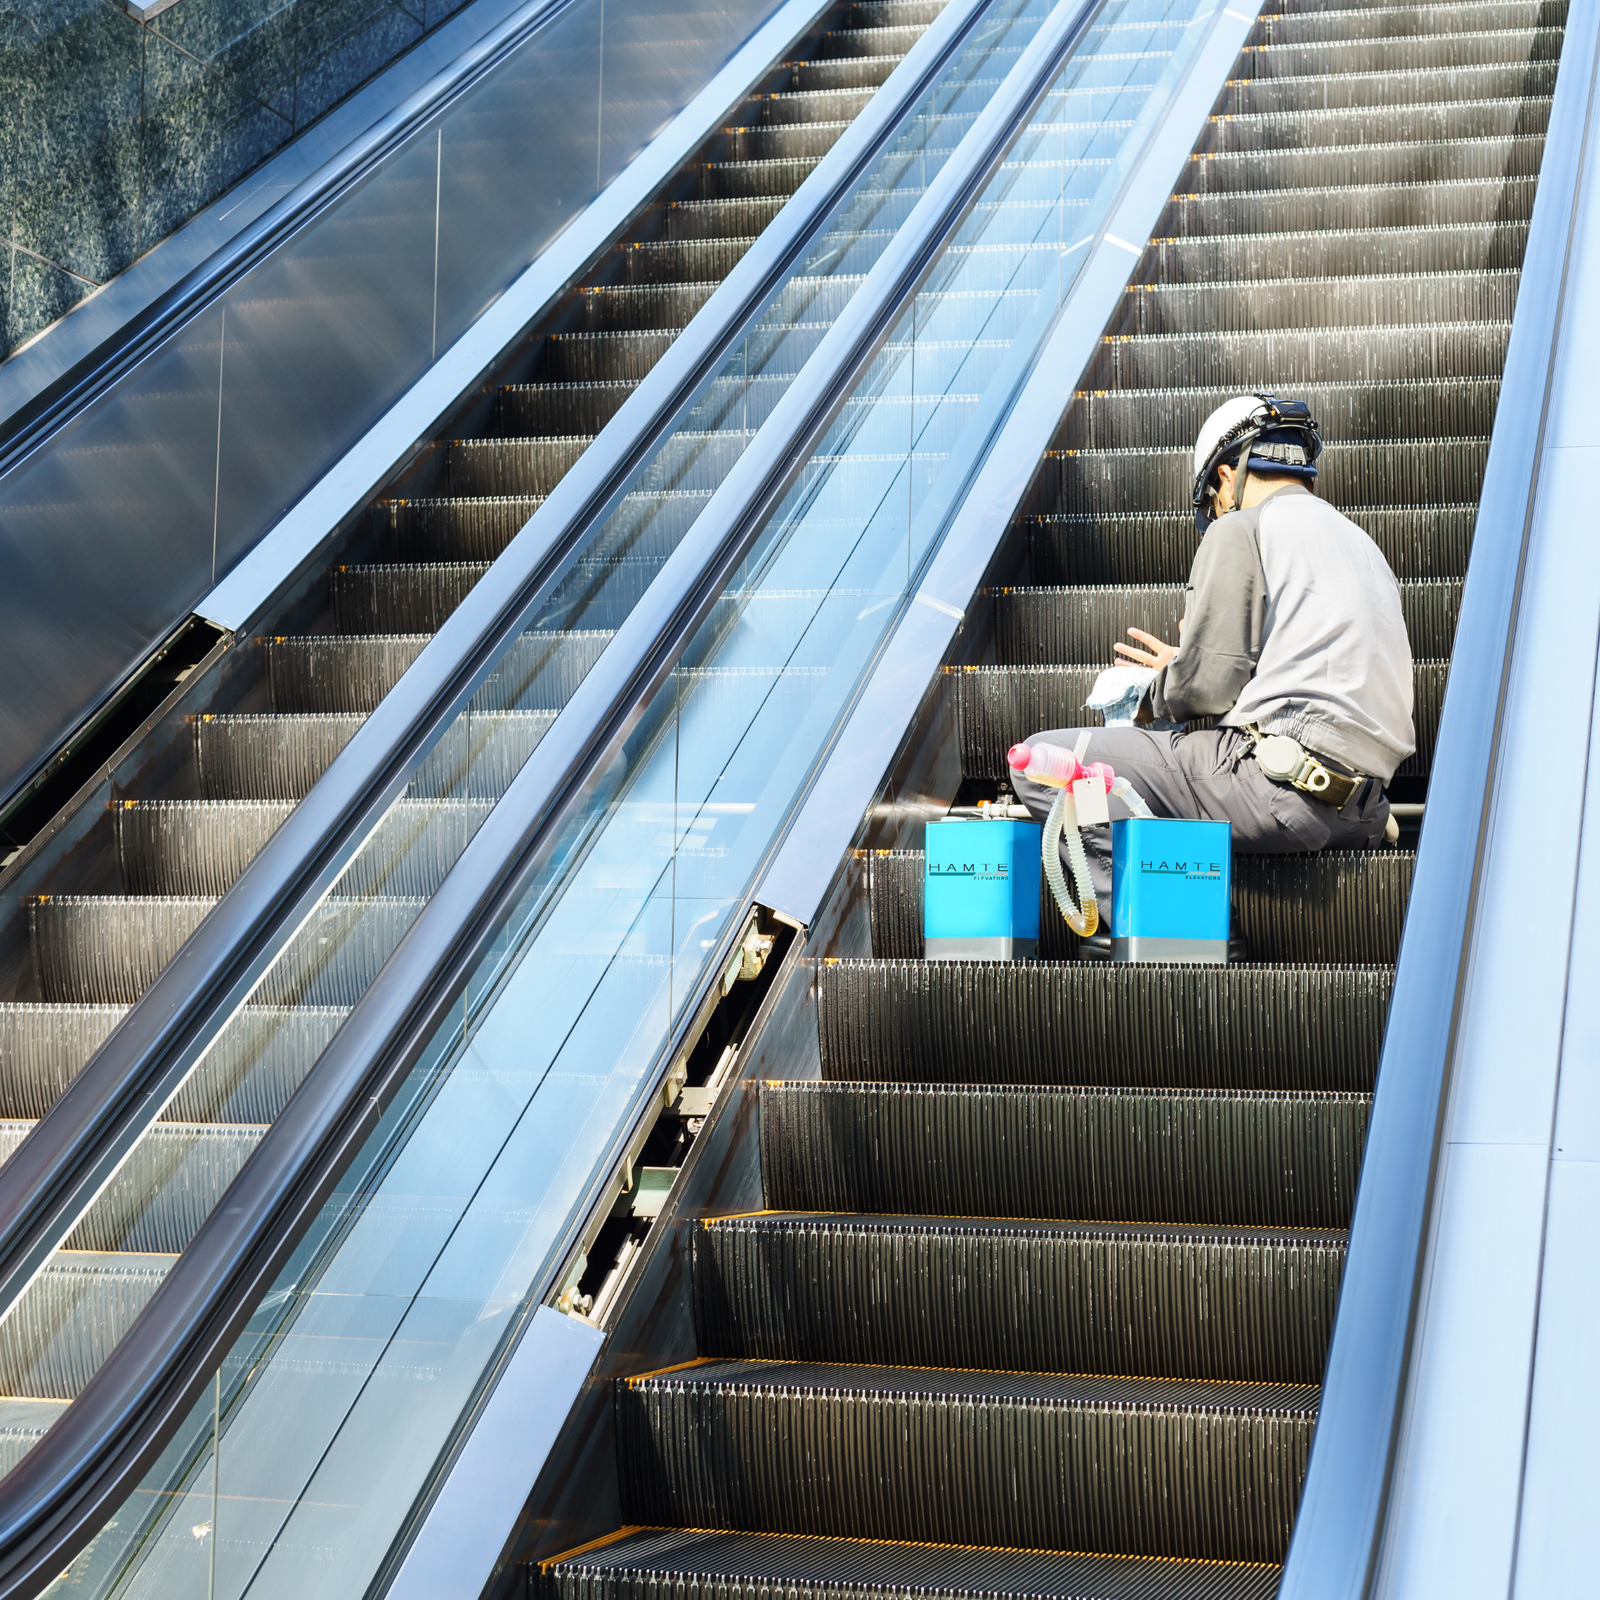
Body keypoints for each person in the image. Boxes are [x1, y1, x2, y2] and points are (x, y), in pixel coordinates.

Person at [1010, 393, 1415, 951]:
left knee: (1042, 762)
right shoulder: (1364, 547)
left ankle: (1176, 924)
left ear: (1227, 476)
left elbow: (1205, 687)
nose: (1218, 514)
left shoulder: (1245, 527)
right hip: (1363, 809)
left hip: (1277, 790)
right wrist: (1192, 668)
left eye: (1214, 501)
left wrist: (1153, 693)